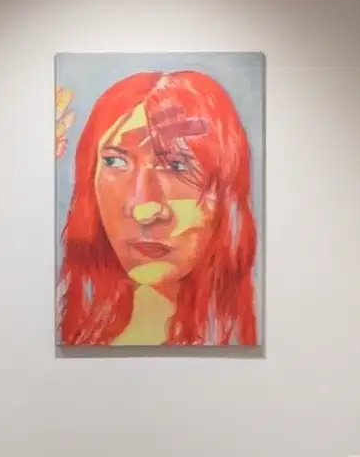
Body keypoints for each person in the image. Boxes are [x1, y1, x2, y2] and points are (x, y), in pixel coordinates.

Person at [55, 66, 257, 350]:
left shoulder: (241, 331)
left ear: (227, 186)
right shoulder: (70, 320)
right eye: (115, 162)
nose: (144, 211)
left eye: (177, 165)